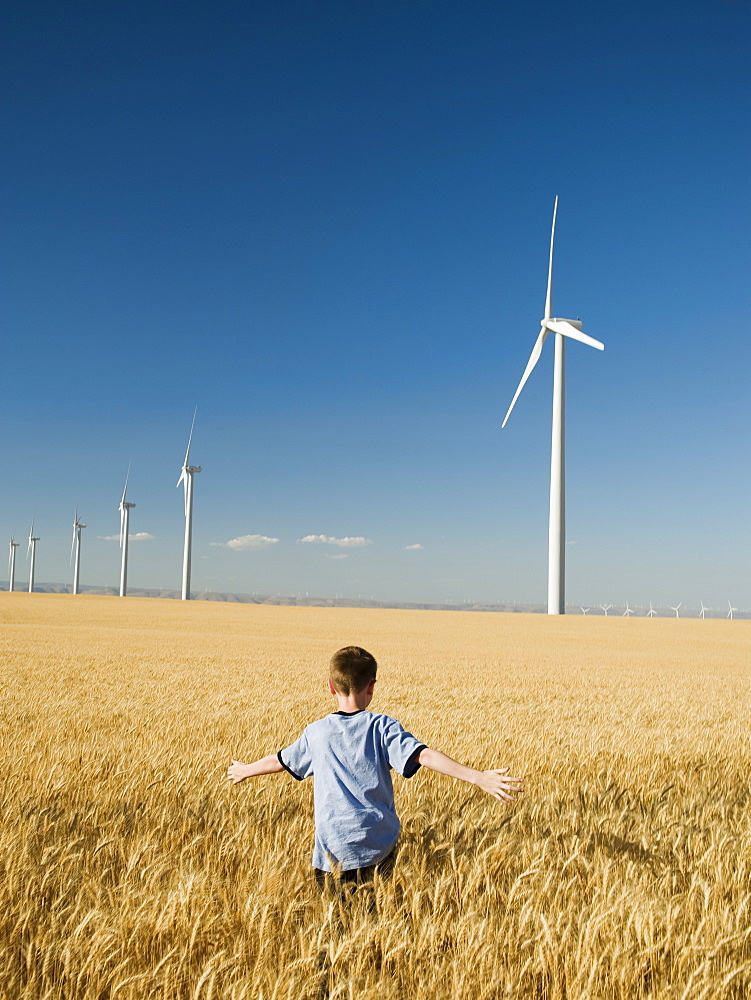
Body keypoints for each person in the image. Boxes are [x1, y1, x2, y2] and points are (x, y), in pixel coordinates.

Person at [227, 645, 523, 887]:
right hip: (377, 847)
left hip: (332, 850)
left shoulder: (316, 732)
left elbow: (279, 761)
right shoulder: (381, 727)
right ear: (372, 687)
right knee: (374, 917)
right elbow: (425, 756)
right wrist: (479, 777)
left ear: (330, 687)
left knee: (336, 926)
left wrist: (244, 769)